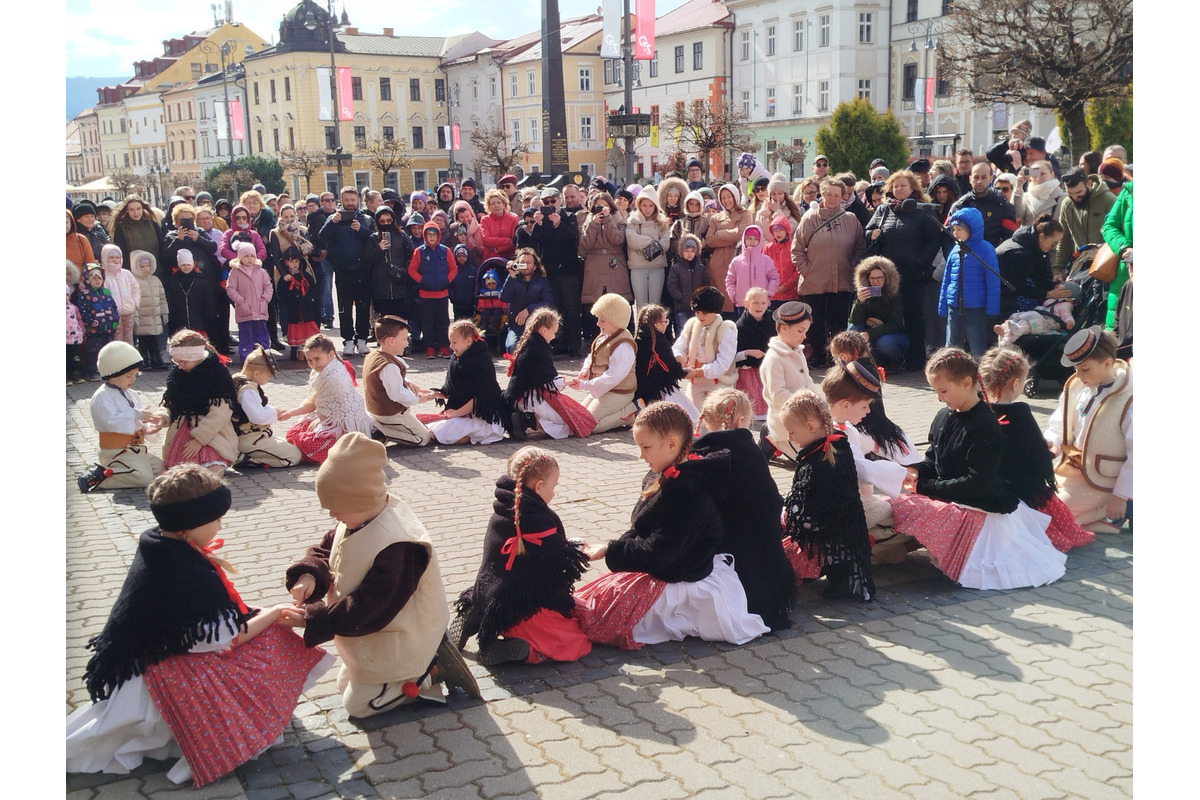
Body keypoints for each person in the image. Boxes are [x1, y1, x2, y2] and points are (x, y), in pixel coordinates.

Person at [67, 465, 330, 787]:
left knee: (266, 622)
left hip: (149, 660)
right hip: (165, 673)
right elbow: (226, 638)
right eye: (216, 518)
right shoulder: (185, 571)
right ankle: (247, 726)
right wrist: (274, 612)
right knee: (274, 638)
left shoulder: (158, 543)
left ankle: (254, 716)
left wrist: (262, 613)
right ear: (191, 524)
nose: (221, 524)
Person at [285, 433, 478, 717]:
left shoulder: (400, 544)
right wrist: (310, 575)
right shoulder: (358, 516)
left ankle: (427, 673)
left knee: (357, 706)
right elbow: (327, 549)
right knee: (346, 684)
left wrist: (313, 618)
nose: (331, 514)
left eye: (335, 507)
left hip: (398, 634)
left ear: (358, 497)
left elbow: (372, 605)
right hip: (373, 635)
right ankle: (404, 676)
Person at [573, 402, 770, 650]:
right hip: (664, 568)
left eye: (646, 448)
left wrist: (611, 551)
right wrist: (615, 548)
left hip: (679, 580)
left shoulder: (688, 491)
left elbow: (660, 552)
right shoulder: (663, 473)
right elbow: (643, 529)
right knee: (592, 600)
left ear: (672, 444)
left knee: (601, 619)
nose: (640, 455)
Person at [890, 348, 1067, 589]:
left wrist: (924, 485)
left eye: (943, 391)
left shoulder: (985, 425)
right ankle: (896, 548)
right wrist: (917, 470)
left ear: (966, 383)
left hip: (979, 508)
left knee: (906, 505)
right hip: (954, 497)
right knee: (900, 502)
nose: (939, 398)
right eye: (935, 391)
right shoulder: (944, 416)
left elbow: (978, 482)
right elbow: (935, 459)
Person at [451, 446, 595, 665]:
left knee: (500, 593)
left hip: (485, 594)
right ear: (538, 487)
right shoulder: (539, 522)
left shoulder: (502, 511)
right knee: (575, 638)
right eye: (553, 487)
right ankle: (521, 650)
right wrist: (575, 552)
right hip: (518, 610)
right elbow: (554, 573)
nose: (554, 493)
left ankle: (475, 614)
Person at [691, 388, 795, 630]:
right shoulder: (750, 452)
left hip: (722, 546)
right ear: (740, 421)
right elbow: (770, 497)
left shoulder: (701, 452)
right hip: (761, 548)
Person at [978, 347, 1094, 552]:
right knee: (1051, 514)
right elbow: (1034, 450)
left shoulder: (979, 411)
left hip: (992, 487)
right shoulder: (1020, 412)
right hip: (1024, 489)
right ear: (1016, 384)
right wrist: (1048, 451)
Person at [779, 390, 875, 601]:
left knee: (774, 560)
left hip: (827, 542)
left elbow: (803, 517)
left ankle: (808, 570)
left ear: (811, 427)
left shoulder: (816, 462)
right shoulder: (841, 446)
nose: (790, 438)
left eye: (791, 432)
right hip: (847, 539)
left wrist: (784, 512)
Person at [1044, 326, 1132, 534]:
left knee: (1053, 520)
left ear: (1108, 363)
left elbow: (1136, 453)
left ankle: (1106, 512)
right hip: (1071, 471)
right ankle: (1092, 518)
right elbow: (1059, 424)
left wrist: (1121, 495)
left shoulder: (1128, 399)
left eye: (1085, 369)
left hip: (1102, 481)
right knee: (1035, 507)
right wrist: (1051, 444)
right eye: (1075, 369)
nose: (1078, 375)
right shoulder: (1077, 386)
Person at [865, 170, 945, 365]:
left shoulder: (923, 209)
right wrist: (871, 234)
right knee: (886, 316)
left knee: (913, 316)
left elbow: (934, 239)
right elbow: (867, 230)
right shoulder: (884, 209)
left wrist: (921, 263)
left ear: (912, 188)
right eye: (895, 186)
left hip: (913, 275)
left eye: (903, 185)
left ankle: (915, 358)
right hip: (886, 276)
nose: (899, 189)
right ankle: (887, 357)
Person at [77, 342, 167, 492]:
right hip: (116, 451)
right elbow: (109, 422)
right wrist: (137, 414)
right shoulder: (102, 397)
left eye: (134, 375)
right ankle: (101, 477)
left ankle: (124, 471)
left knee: (164, 470)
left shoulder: (131, 394)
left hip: (135, 449)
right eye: (128, 376)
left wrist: (146, 428)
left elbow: (135, 421)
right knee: (144, 478)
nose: (132, 380)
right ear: (112, 374)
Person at [792, 177, 864, 365]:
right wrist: (807, 271)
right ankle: (817, 354)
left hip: (842, 280)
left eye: (836, 195)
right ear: (821, 194)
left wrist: (852, 267)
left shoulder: (850, 219)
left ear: (842, 196)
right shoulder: (810, 218)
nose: (832, 198)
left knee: (838, 321)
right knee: (814, 322)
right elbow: (797, 249)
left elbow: (860, 247)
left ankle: (836, 355)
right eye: (828, 194)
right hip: (814, 282)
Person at [827, 331, 921, 467]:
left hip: (865, 428)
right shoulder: (868, 368)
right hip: (879, 426)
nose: (835, 362)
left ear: (843, 356)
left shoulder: (851, 375)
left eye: (835, 358)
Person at [503, 308, 596, 441]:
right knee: (574, 423)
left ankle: (529, 422)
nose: (554, 336)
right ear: (544, 330)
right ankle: (530, 422)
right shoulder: (538, 350)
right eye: (553, 332)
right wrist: (568, 382)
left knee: (573, 418)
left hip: (519, 398)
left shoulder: (529, 343)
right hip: (531, 400)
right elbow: (551, 384)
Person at [281, 334, 373, 464]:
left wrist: (290, 413)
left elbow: (313, 405)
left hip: (343, 428)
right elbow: (318, 404)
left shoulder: (331, 377)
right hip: (338, 422)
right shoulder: (332, 365)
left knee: (299, 439)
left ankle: (346, 449)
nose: (313, 364)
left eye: (317, 359)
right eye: (309, 360)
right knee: (296, 431)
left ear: (330, 355)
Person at [566, 294, 640, 433]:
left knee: (587, 426)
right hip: (603, 390)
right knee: (578, 419)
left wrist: (583, 385)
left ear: (616, 321)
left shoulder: (624, 346)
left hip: (619, 393)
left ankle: (631, 412)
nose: (598, 324)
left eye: (603, 320)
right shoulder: (606, 335)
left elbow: (612, 378)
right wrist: (586, 369)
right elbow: (592, 356)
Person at [425, 319, 507, 445]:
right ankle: (462, 435)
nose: (451, 346)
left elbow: (481, 398)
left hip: (484, 417)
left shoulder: (482, 361)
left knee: (441, 430)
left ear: (468, 341)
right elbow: (453, 390)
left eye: (454, 342)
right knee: (430, 425)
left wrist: (456, 413)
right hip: (465, 413)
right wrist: (435, 394)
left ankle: (468, 436)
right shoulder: (457, 358)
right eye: (450, 342)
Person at [319, 188, 375, 356]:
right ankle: (348, 340)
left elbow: (375, 238)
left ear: (358, 200)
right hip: (342, 270)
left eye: (353, 200)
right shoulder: (333, 218)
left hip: (363, 269)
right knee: (344, 308)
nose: (350, 203)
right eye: (346, 200)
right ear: (341, 201)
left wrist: (362, 230)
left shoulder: (366, 219)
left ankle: (362, 339)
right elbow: (322, 236)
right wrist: (332, 223)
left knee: (363, 307)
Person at [362, 315, 434, 447]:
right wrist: (418, 399)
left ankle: (380, 426)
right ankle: (383, 432)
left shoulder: (375, 355)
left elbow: (389, 379)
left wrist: (408, 382)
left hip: (377, 410)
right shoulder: (388, 365)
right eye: (404, 339)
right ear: (391, 341)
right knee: (423, 437)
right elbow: (397, 394)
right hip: (389, 414)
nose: (407, 343)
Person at [938, 207, 999, 356]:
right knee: (952, 344)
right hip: (954, 304)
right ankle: (951, 373)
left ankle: (980, 374)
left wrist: (992, 307)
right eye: (953, 229)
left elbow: (993, 280)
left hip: (975, 306)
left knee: (977, 344)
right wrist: (943, 303)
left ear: (972, 229)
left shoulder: (985, 249)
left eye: (959, 229)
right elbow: (947, 278)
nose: (955, 233)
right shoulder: (955, 249)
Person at [759, 301, 815, 460]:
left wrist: (818, 403)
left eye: (805, 331)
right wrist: (806, 401)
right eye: (800, 331)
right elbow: (778, 396)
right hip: (786, 424)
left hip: (805, 417)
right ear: (784, 327)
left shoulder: (797, 350)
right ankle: (773, 437)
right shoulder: (774, 359)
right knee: (809, 459)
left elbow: (808, 381)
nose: (804, 336)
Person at [671, 286, 739, 413]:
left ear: (715, 311)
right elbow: (678, 347)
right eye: (697, 312)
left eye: (705, 312)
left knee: (714, 417)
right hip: (694, 382)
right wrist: (679, 357)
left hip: (717, 382)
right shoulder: (691, 325)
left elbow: (723, 363)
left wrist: (699, 372)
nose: (700, 316)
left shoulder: (725, 330)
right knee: (692, 417)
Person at [631, 304, 697, 425]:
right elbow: (673, 369)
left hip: (639, 389)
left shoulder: (637, 339)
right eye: (665, 321)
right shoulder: (660, 342)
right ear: (657, 324)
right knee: (692, 417)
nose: (666, 324)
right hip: (660, 389)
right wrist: (686, 372)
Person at [578, 193, 631, 340]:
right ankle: (595, 337)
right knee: (595, 302)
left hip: (614, 262)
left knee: (616, 300)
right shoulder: (589, 220)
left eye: (605, 205)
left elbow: (618, 239)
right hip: (594, 263)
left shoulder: (618, 218)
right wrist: (594, 224)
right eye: (598, 206)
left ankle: (619, 334)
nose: (601, 209)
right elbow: (585, 245)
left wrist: (608, 219)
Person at [995, 218, 1066, 321]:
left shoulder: (1032, 246)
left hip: (1007, 296)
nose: (1053, 248)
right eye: (1053, 243)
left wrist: (1055, 286)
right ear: (1042, 237)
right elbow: (1017, 287)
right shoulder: (1019, 254)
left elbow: (1039, 278)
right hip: (999, 299)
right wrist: (1049, 294)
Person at [1052, 169, 1116, 279]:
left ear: (1089, 184)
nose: (1075, 198)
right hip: (1080, 263)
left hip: (1107, 263)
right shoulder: (1067, 204)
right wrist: (1057, 269)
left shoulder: (1109, 200)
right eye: (1070, 194)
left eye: (1079, 193)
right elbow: (1064, 238)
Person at [848, 256, 908, 370]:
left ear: (886, 278)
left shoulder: (894, 295)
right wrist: (860, 302)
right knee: (852, 329)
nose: (875, 282)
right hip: (869, 331)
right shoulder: (862, 293)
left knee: (885, 342)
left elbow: (895, 324)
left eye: (879, 278)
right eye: (872, 278)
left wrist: (869, 333)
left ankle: (898, 360)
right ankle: (856, 362)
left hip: (894, 335)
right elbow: (855, 321)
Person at [407, 221, 457, 359]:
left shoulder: (445, 250)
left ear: (438, 235)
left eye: (434, 234)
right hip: (426, 294)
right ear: (425, 235)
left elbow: (453, 268)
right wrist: (422, 280)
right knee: (427, 322)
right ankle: (429, 347)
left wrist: (447, 280)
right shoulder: (419, 251)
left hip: (442, 294)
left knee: (443, 321)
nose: (432, 237)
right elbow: (412, 269)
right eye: (429, 234)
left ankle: (443, 346)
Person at [705, 184, 752, 313]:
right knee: (722, 303)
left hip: (738, 259)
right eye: (723, 198)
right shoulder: (716, 218)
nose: (726, 200)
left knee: (739, 299)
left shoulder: (745, 213)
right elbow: (710, 240)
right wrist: (732, 236)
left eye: (729, 196)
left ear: (735, 196)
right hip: (719, 263)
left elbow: (743, 233)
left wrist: (720, 234)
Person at [949, 162, 1019, 248]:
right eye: (976, 177)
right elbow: (948, 236)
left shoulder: (1003, 206)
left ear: (991, 178)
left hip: (992, 257)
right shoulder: (959, 206)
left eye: (984, 177)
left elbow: (1010, 239)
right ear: (970, 179)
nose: (979, 181)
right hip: (964, 256)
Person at [625, 186, 673, 311]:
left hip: (657, 267)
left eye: (651, 206)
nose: (647, 209)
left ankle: (654, 330)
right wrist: (652, 241)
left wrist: (645, 243)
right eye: (645, 205)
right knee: (640, 304)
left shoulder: (662, 222)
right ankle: (641, 330)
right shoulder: (632, 220)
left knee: (655, 304)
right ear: (639, 205)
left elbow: (665, 243)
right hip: (637, 267)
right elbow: (631, 240)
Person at [499, 248, 553, 354]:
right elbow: (504, 298)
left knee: (537, 350)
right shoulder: (513, 279)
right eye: (522, 262)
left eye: (528, 263)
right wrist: (511, 276)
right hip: (516, 326)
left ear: (535, 266)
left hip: (536, 326)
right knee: (512, 347)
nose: (525, 265)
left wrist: (529, 309)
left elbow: (549, 303)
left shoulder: (542, 281)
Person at [225, 242, 274, 360]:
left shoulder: (261, 271)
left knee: (262, 337)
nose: (250, 259)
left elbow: (268, 286)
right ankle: (246, 361)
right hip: (245, 310)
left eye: (252, 256)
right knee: (246, 337)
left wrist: (265, 299)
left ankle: (264, 361)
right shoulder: (235, 272)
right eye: (246, 256)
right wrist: (241, 301)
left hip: (260, 310)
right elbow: (230, 289)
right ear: (240, 258)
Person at [733, 288, 774, 420]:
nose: (760, 306)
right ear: (746, 303)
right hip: (749, 370)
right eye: (755, 303)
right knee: (755, 410)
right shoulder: (740, 326)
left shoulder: (773, 321)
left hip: (770, 368)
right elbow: (732, 354)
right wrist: (748, 352)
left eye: (763, 303)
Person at [275, 246, 321, 359]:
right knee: (295, 329)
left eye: (296, 261)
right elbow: (281, 294)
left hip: (306, 308)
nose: (294, 264)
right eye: (291, 261)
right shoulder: (284, 279)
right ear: (286, 263)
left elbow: (313, 290)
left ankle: (312, 351)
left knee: (309, 329)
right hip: (293, 309)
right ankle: (294, 351)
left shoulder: (305, 276)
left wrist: (310, 300)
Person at [76, 264, 119, 380]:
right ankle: (92, 370)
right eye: (93, 278)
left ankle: (108, 370)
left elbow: (113, 306)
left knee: (108, 349)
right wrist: (90, 321)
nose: (97, 280)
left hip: (108, 327)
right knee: (93, 351)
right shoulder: (84, 294)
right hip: (94, 329)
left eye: (99, 278)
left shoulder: (106, 292)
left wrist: (115, 318)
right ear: (87, 279)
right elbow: (83, 310)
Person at [724, 225, 780, 313]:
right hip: (742, 303)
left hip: (761, 303)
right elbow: (730, 280)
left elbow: (774, 278)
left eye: (755, 239)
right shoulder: (737, 261)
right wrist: (734, 295)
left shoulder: (766, 260)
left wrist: (768, 293)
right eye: (749, 238)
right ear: (744, 240)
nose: (752, 241)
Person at [1100, 182, 1133, 330]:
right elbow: (1109, 226)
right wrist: (1124, 249)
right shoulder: (1129, 191)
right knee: (1117, 337)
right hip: (1125, 275)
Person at [131, 249, 169, 370]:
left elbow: (162, 298)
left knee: (154, 340)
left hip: (154, 317)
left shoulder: (155, 280)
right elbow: (133, 300)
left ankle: (156, 359)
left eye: (148, 266)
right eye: (142, 266)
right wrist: (135, 316)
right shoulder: (134, 281)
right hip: (142, 317)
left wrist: (164, 312)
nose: (146, 268)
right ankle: (144, 360)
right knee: (143, 341)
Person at [665, 232, 709, 334]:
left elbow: (706, 284)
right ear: (681, 251)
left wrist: (701, 298)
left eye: (692, 251)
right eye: (687, 251)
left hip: (698, 307)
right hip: (682, 307)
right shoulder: (676, 267)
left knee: (697, 332)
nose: (690, 254)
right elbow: (672, 285)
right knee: (683, 331)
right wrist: (680, 297)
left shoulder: (701, 267)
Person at [164, 250, 215, 337]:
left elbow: (208, 301)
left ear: (193, 264)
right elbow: (170, 300)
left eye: (188, 265)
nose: (186, 267)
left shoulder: (201, 280)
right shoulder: (174, 281)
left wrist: (209, 316)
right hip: (180, 321)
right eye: (183, 265)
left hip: (199, 320)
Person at [109, 195, 164, 273]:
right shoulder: (121, 228)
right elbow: (122, 254)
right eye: (132, 210)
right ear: (126, 210)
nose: (136, 213)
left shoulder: (152, 223)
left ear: (143, 208)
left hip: (156, 270)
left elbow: (161, 246)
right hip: (134, 272)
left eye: (139, 209)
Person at [100, 245, 141, 346]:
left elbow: (136, 288)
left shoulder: (126, 274)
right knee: (116, 339)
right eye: (111, 257)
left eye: (117, 257)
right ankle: (117, 360)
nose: (114, 260)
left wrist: (135, 303)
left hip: (128, 311)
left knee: (128, 337)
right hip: (113, 314)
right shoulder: (103, 275)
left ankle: (130, 359)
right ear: (105, 258)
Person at [764, 215, 798, 311]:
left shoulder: (793, 247)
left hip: (790, 294)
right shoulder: (768, 248)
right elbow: (764, 269)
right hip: (773, 295)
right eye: (775, 230)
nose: (778, 233)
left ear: (787, 230)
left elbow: (797, 270)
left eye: (781, 230)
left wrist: (786, 285)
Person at [1016, 161, 1064, 227]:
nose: (1038, 179)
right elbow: (1017, 216)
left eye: (1042, 174)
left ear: (1052, 174)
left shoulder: (1062, 197)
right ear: (1030, 177)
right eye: (1034, 175)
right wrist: (1019, 186)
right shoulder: (1024, 196)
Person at [480, 188, 519, 263]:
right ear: (489, 206)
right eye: (493, 203)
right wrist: (507, 240)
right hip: (489, 259)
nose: (496, 205)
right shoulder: (485, 220)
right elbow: (486, 240)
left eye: (499, 202)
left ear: (504, 204)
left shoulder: (513, 219)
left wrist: (498, 249)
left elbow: (514, 242)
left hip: (509, 259)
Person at [67, 262, 87, 382]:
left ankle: (75, 373)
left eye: (69, 274)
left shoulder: (77, 288)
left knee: (74, 354)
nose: (66, 276)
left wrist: (81, 329)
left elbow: (78, 315)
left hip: (74, 332)